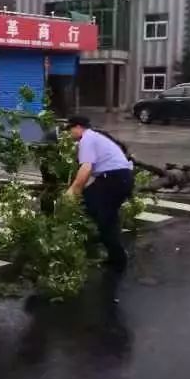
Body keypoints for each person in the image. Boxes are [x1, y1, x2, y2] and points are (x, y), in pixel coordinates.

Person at [65, 115, 134, 272]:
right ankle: (111, 250)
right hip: (121, 178)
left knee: (102, 216)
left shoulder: (86, 139)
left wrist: (73, 191)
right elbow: (92, 175)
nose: (69, 134)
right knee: (101, 210)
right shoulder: (96, 137)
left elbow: (86, 168)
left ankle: (117, 258)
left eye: (69, 129)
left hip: (114, 179)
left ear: (77, 127)